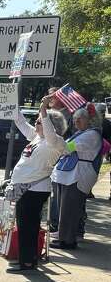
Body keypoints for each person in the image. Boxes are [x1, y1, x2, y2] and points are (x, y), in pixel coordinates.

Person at [5, 94, 68, 272]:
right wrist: (11, 103)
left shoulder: (55, 142)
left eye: (39, 122)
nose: (36, 124)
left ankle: (27, 262)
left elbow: (49, 130)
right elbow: (21, 122)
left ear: (51, 126)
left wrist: (44, 108)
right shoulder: (37, 138)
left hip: (35, 189)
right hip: (25, 188)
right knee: (25, 225)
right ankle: (29, 259)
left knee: (28, 227)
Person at [50, 103, 103, 249]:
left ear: (89, 120)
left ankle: (68, 241)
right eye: (74, 119)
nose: (76, 122)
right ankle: (64, 237)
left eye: (79, 119)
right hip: (68, 175)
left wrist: (55, 139)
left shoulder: (92, 134)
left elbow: (67, 148)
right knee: (64, 209)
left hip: (77, 176)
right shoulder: (82, 133)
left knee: (70, 210)